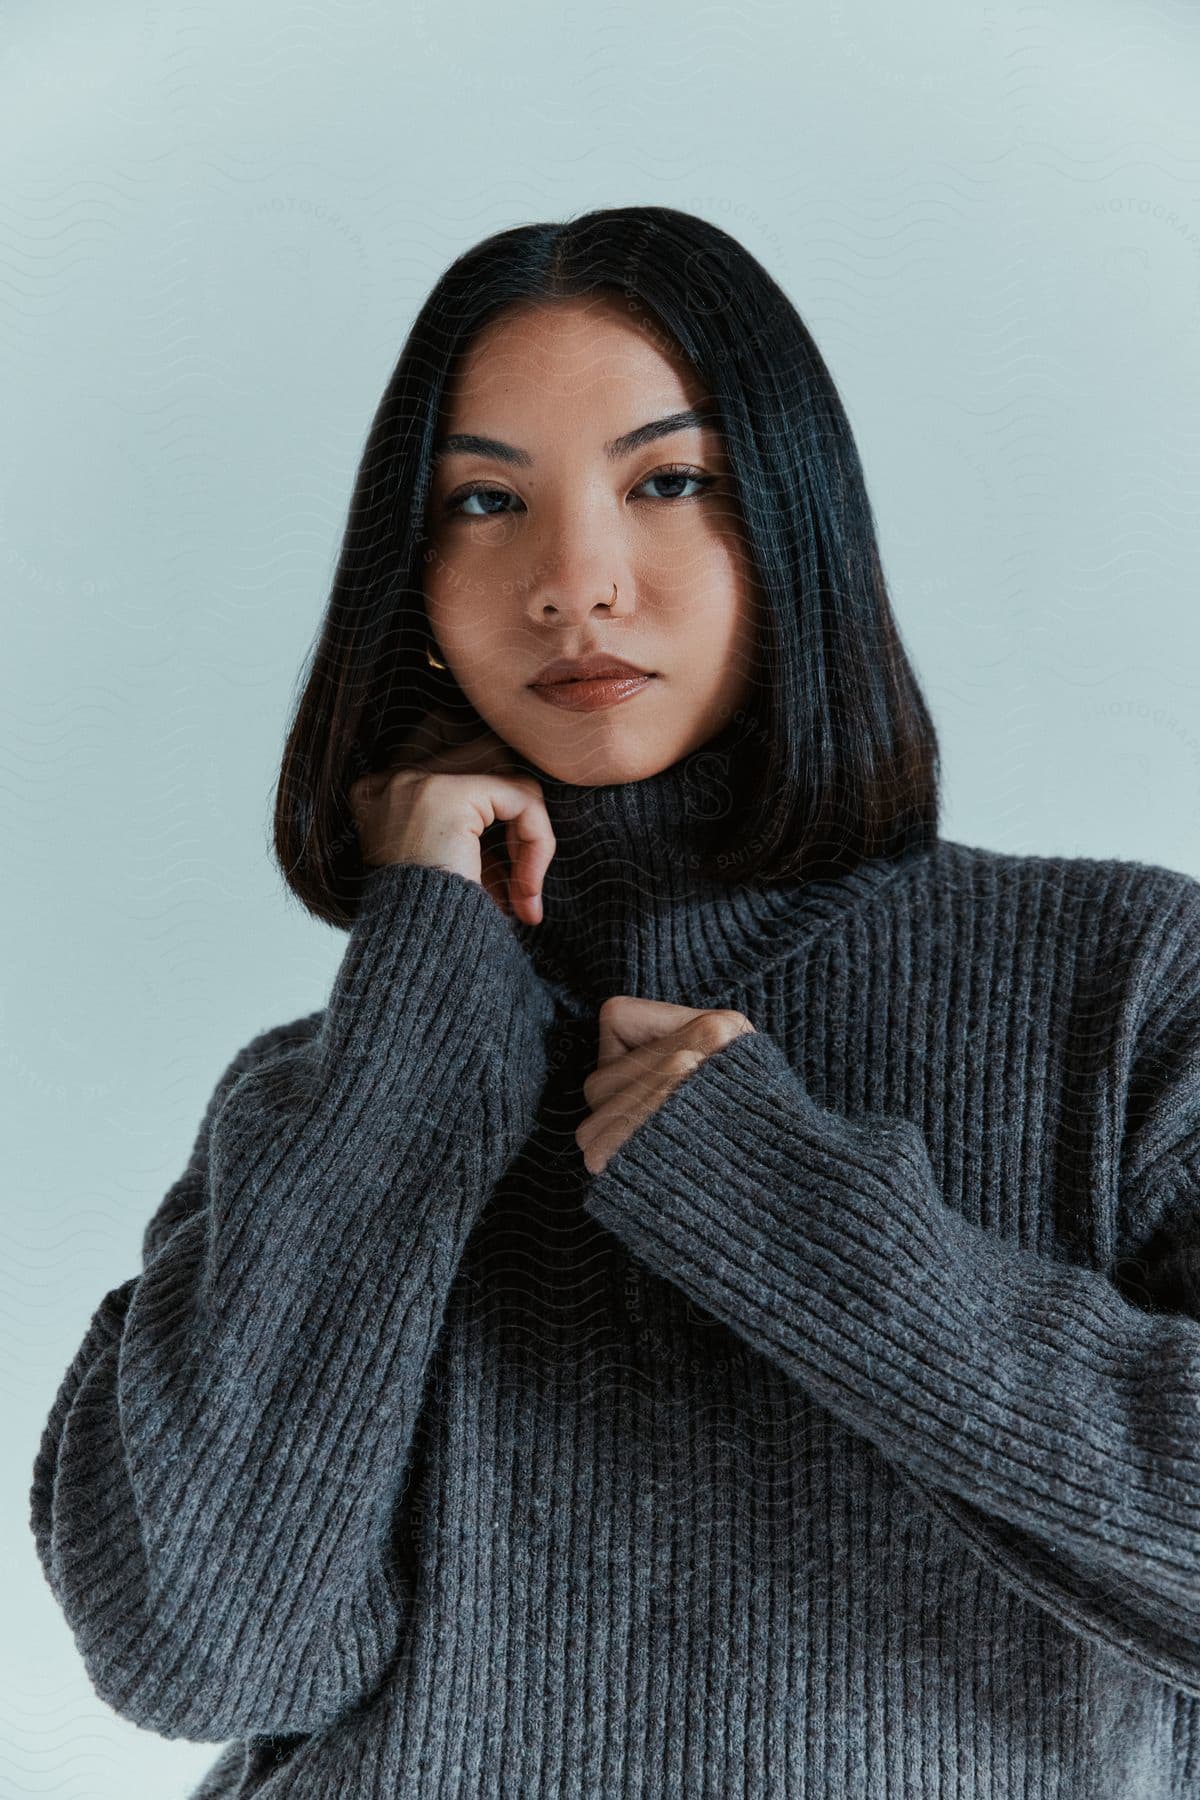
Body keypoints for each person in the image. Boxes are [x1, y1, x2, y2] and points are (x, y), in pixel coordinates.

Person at [30, 204, 1200, 1799]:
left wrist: (788, 1213)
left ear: (793, 524)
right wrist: (422, 1002)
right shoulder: (326, 1091)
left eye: (669, 482)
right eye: (486, 503)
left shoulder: (1122, 989)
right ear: (415, 587)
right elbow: (201, 1652)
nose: (574, 584)